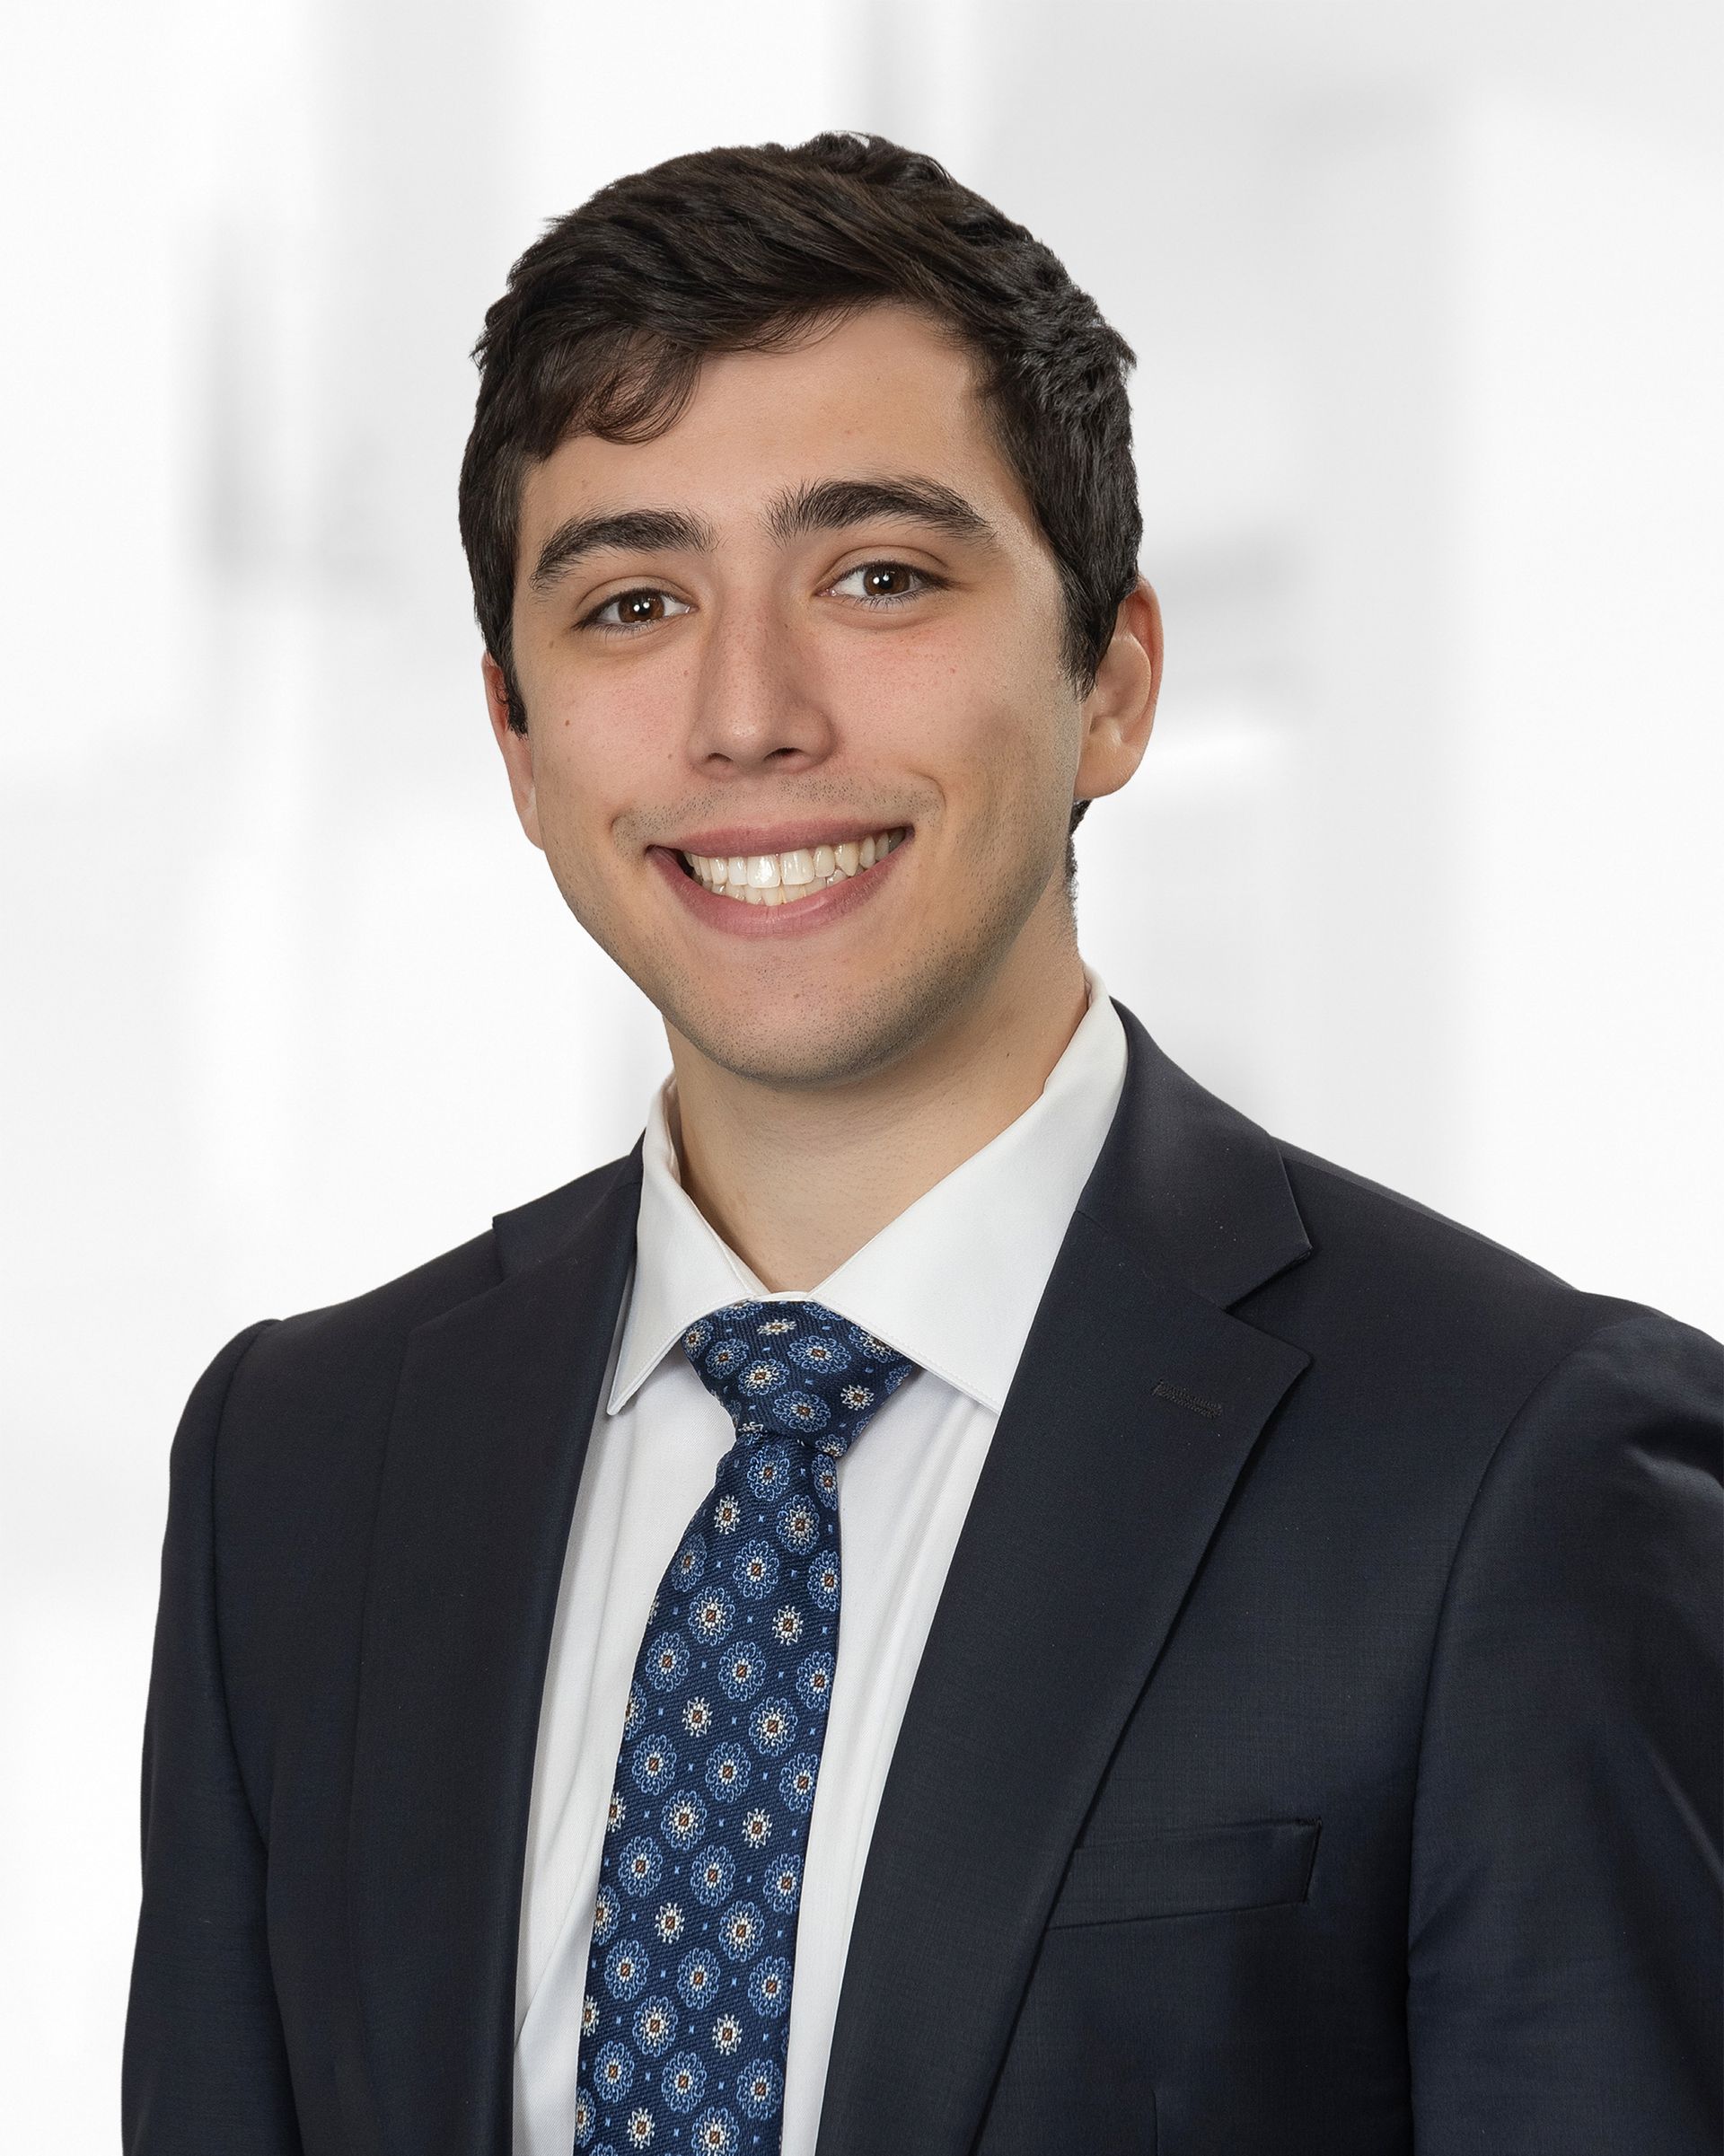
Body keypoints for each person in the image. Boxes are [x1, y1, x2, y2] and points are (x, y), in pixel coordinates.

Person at [122, 131, 1721, 2156]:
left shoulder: (1519, 1467)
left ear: (1114, 680)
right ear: (519, 745)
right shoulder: (300, 1461)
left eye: (877, 575)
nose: (747, 713)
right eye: (629, 601)